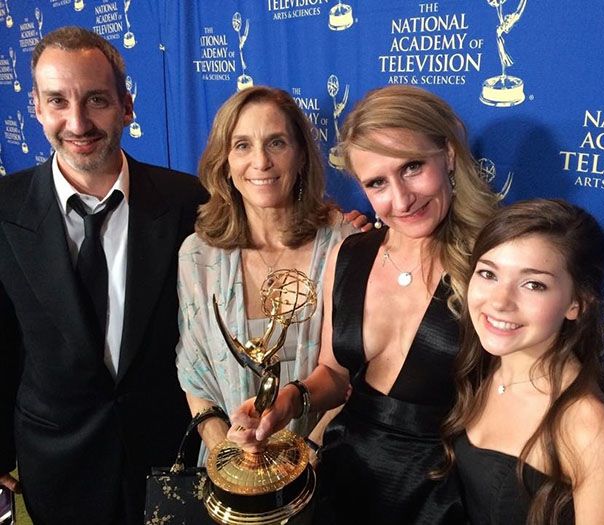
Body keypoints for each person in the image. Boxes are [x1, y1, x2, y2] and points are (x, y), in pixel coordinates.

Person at [229, 85, 499, 524]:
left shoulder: (493, 265)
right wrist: (286, 402)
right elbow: (335, 374)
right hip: (347, 477)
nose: (401, 199)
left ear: (448, 155)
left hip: (445, 493)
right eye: (377, 183)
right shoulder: (351, 254)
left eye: (412, 167)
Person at [0, 26, 208, 524]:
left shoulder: (189, 202)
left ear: (126, 105)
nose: (77, 121)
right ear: (36, 107)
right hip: (55, 460)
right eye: (57, 101)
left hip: (169, 455)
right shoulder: (4, 208)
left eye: (96, 99)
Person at [175, 86, 364, 460]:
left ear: (301, 156)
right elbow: (195, 374)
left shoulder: (346, 244)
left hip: (327, 464)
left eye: (276, 143)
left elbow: (361, 373)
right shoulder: (197, 255)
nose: (260, 161)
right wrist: (229, 457)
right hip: (231, 467)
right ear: (224, 161)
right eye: (242, 145)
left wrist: (307, 456)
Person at [438, 199, 604, 524]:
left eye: (533, 284)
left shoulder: (589, 428)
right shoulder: (484, 368)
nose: (500, 301)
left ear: (576, 303)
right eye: (488, 273)